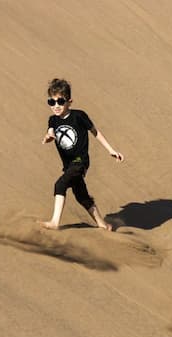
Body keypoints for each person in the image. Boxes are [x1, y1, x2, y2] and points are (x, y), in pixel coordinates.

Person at [39, 78, 124, 231]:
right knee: (81, 195)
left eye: (60, 101)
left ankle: (54, 222)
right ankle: (103, 224)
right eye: (52, 102)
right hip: (68, 165)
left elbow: (95, 132)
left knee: (60, 184)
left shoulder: (79, 116)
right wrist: (48, 136)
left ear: (69, 101)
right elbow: (50, 131)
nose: (56, 106)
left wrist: (111, 150)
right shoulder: (53, 120)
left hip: (80, 161)